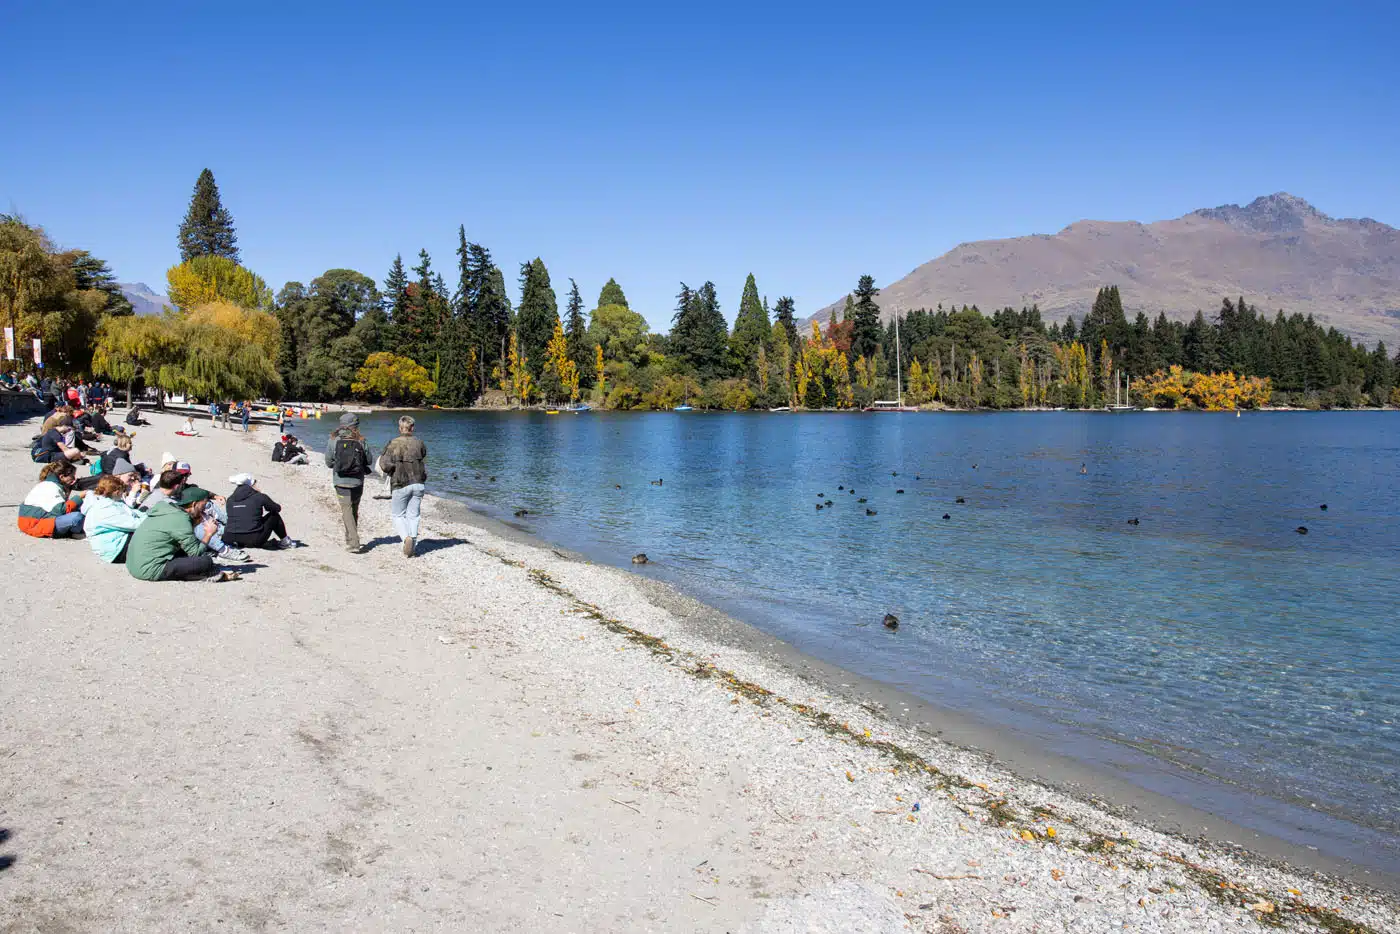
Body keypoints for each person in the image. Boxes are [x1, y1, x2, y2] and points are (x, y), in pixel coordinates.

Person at [126, 485, 238, 582]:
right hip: (149, 569)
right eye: (203, 507)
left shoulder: (167, 510)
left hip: (134, 564)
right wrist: (209, 534)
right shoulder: (181, 520)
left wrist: (194, 523)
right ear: (194, 504)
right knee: (205, 561)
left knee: (186, 552)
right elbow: (195, 553)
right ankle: (202, 575)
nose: (204, 511)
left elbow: (182, 537)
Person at [379, 415, 428, 557]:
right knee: (414, 516)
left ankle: (406, 538)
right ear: (412, 427)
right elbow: (423, 455)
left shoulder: (392, 443)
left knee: (397, 515)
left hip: (400, 483)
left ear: (400, 428)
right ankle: (412, 543)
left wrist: (393, 468)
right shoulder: (419, 443)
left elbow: (384, 465)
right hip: (418, 483)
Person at [325, 413, 375, 552]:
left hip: (340, 480)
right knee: (353, 510)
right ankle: (350, 539)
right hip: (358, 481)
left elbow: (328, 462)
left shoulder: (333, 440)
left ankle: (353, 542)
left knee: (346, 510)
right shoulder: (361, 440)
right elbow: (369, 461)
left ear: (340, 425)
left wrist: (339, 464)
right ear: (355, 426)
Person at [80, 474, 147, 563]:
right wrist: (153, 520)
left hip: (117, 538)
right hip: (115, 549)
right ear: (116, 492)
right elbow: (134, 524)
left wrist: (147, 515)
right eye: (122, 491)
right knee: (151, 536)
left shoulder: (112, 501)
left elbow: (132, 512)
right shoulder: (104, 508)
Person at [224, 474, 298, 550]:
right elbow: (277, 508)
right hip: (254, 540)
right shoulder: (259, 496)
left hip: (231, 539)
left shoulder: (230, 499)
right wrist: (262, 497)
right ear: (251, 485)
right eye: (255, 483)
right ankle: (285, 542)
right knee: (274, 516)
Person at [18, 461, 86, 538]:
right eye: (72, 476)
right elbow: (61, 511)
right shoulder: (50, 487)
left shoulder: (47, 484)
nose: (74, 479)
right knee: (77, 517)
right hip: (35, 525)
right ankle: (75, 533)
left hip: (34, 522)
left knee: (81, 509)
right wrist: (80, 496)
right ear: (62, 477)